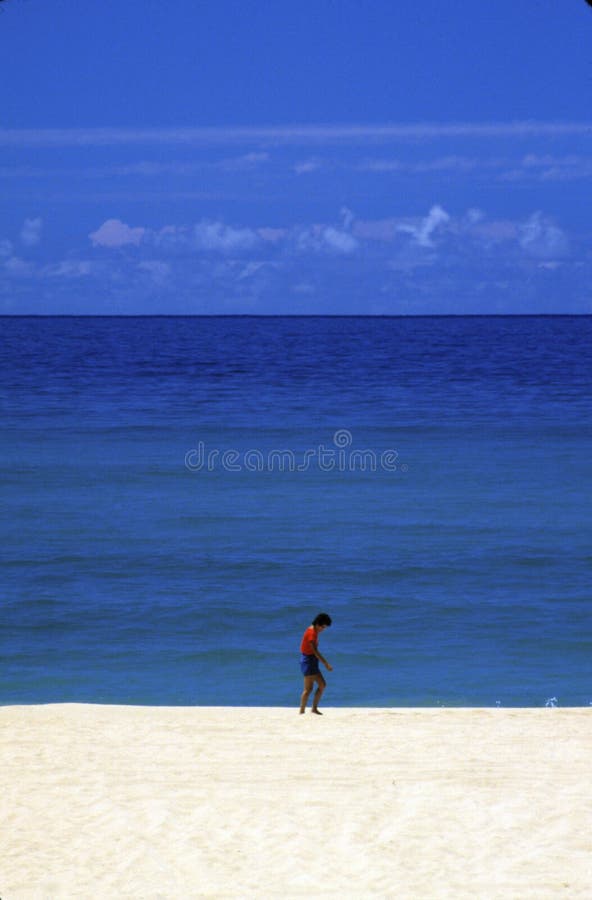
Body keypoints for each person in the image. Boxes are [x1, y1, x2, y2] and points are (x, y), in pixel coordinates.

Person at [299, 612, 333, 714]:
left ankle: (313, 709)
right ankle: (302, 711)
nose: (323, 629)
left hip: (311, 660)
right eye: (323, 627)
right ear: (318, 624)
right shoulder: (312, 634)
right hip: (308, 661)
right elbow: (315, 651)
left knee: (322, 685)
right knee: (308, 689)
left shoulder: (313, 629)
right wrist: (326, 664)